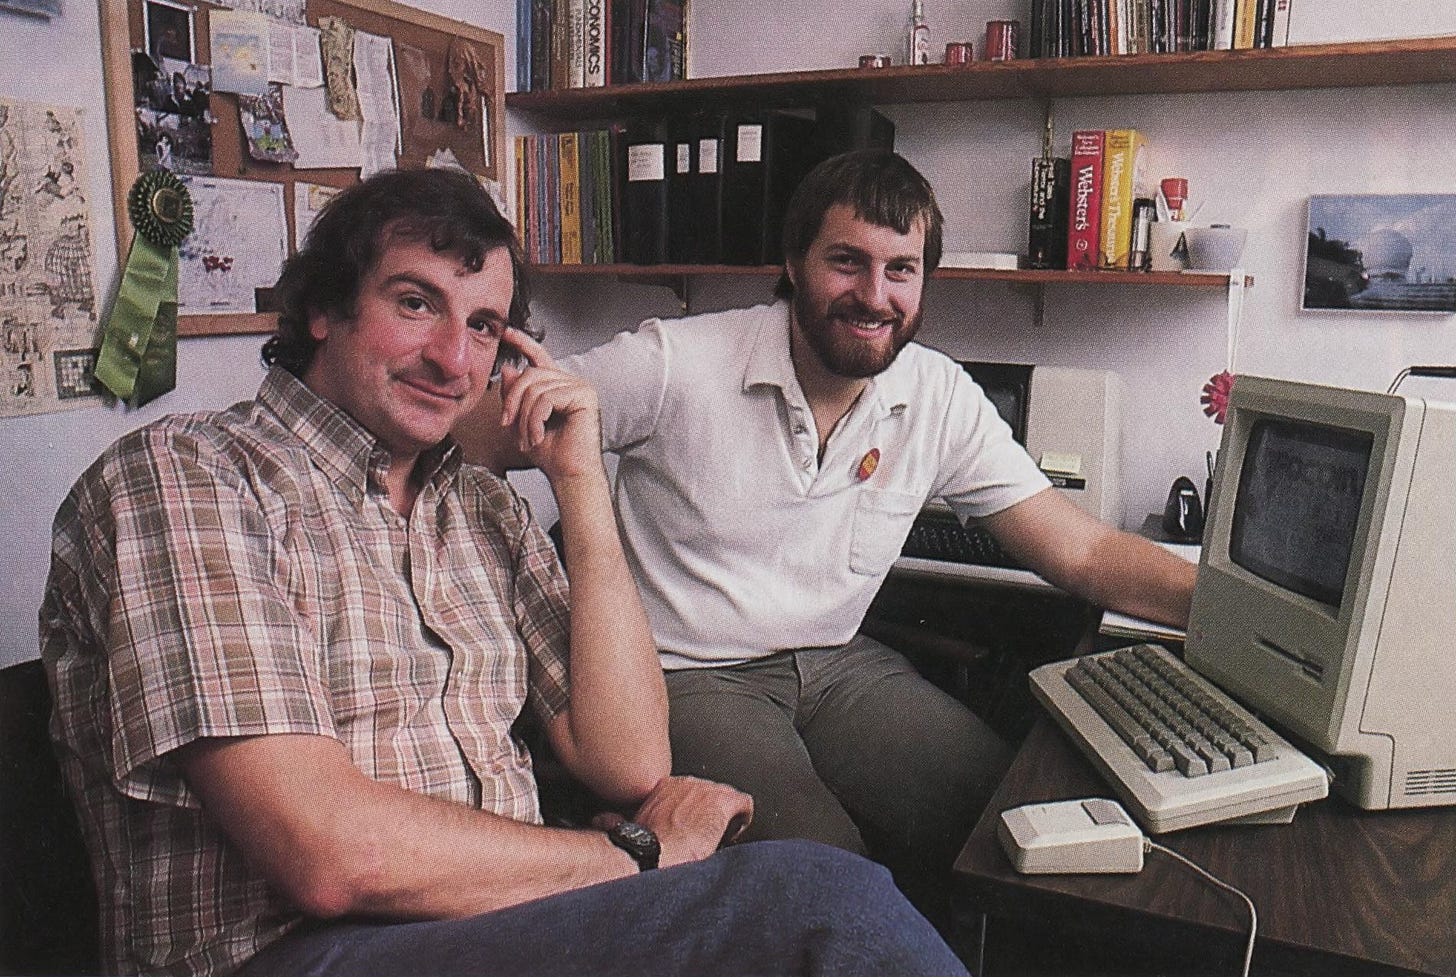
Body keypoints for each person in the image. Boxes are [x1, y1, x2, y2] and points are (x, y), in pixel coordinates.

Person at [40, 168, 968, 977]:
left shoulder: (480, 508)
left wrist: (581, 480)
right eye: (415, 303)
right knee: (820, 900)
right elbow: (323, 854)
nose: (453, 358)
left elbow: (628, 756)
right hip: (294, 950)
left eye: (484, 327)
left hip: (507, 916)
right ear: (324, 307)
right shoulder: (184, 479)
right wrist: (631, 858)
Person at [457, 149, 1196, 902]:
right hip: (687, 675)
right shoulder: (675, 362)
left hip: (839, 667)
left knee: (1018, 823)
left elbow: (1085, 549)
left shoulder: (935, 393)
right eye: (847, 261)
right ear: (794, 262)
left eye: (901, 269)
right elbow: (470, 434)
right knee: (831, 879)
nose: (874, 295)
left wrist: (1238, 613)